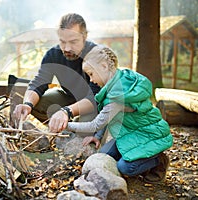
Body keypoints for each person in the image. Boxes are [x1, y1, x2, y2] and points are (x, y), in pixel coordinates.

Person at [65, 46, 173, 183]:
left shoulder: (118, 95)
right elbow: (109, 115)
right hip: (130, 132)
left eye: (91, 74)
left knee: (126, 168)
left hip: (148, 135)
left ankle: (159, 160)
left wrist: (66, 125)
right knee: (104, 154)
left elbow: (96, 124)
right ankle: (143, 160)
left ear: (104, 66)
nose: (91, 80)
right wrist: (98, 136)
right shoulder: (119, 80)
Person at [13, 13, 101, 133]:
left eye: (73, 42)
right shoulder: (53, 54)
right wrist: (27, 104)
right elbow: (39, 82)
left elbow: (95, 97)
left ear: (84, 36)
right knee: (37, 103)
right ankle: (62, 127)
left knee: (84, 126)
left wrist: (66, 111)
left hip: (96, 105)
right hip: (69, 98)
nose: (67, 48)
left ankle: (72, 128)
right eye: (63, 42)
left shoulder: (97, 55)